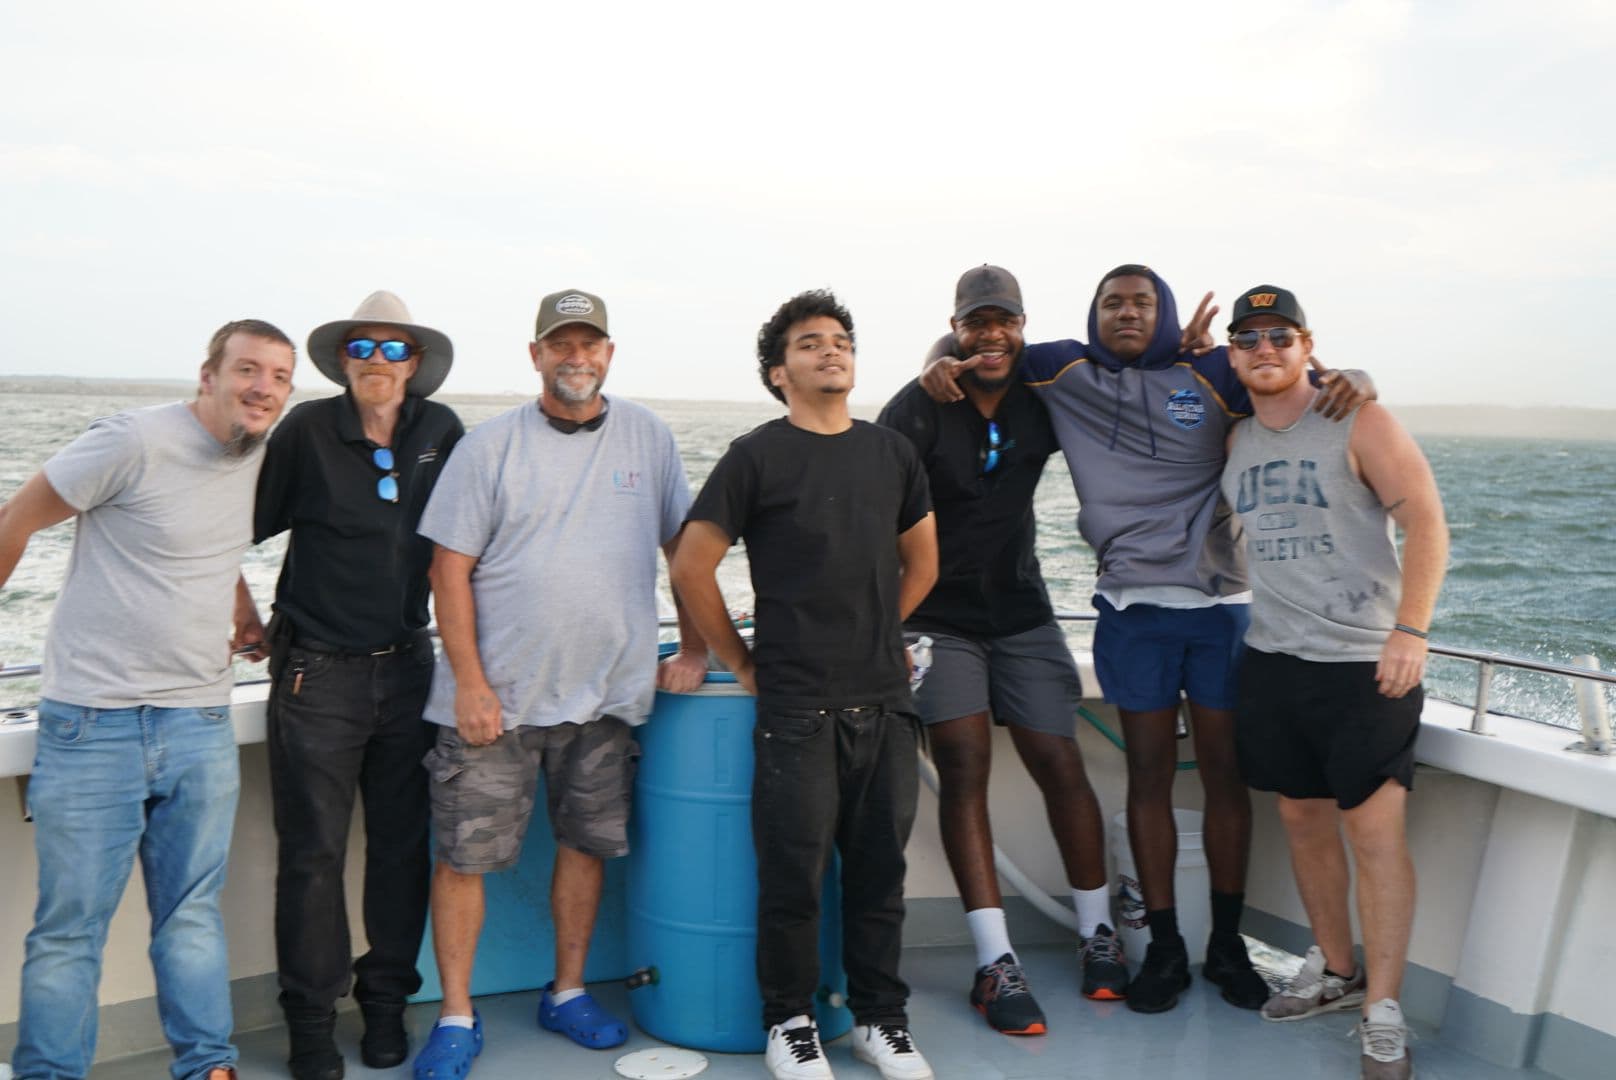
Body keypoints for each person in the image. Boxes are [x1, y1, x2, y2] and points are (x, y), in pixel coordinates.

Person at [921, 265, 1373, 1013]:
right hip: (1133, 612)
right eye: (1112, 302)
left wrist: (1352, 373)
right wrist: (937, 358)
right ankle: (1162, 945)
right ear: (1092, 315)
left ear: (1161, 312)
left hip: (1221, 608)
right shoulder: (1062, 367)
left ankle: (1224, 944)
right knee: (1150, 779)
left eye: (1141, 302)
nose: (1126, 313)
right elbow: (983, 347)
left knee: (1226, 777)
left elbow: (1283, 375)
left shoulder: (1208, 371)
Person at [409, 288, 707, 1079]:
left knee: (585, 848)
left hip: (605, 700)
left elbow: (686, 551)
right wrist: (468, 683)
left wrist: (699, 650)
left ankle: (569, 992)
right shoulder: (490, 445)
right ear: (535, 354)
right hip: (493, 705)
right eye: (560, 344)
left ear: (609, 352)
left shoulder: (648, 435)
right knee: (464, 861)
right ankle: (457, 1013)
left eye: (590, 344)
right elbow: (449, 569)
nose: (577, 357)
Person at [0, 320, 297, 1080]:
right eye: (248, 370)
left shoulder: (256, 455)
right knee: (70, 931)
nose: (263, 387)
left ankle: (208, 1067)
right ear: (209, 376)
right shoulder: (128, 441)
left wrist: (241, 610)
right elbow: (16, 521)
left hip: (199, 723)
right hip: (93, 725)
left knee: (191, 917)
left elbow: (202, 544)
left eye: (279, 377)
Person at [672, 290, 940, 1080]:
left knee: (880, 875)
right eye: (811, 343)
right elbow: (691, 565)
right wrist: (745, 662)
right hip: (793, 707)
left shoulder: (891, 452)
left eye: (842, 340)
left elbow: (923, 562)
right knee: (791, 877)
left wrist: (871, 627)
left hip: (885, 701)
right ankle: (788, 1023)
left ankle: (879, 1022)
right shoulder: (757, 455)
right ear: (777, 370)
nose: (832, 351)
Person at [875, 266, 1122, 1037]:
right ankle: (994, 962)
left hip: (1021, 612)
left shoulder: (1044, 395)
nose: (990, 335)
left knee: (1061, 763)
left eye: (1003, 321)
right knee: (965, 765)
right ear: (955, 325)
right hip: (938, 617)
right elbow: (871, 509)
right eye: (975, 322)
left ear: (1021, 325)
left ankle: (1098, 936)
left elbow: (1125, 366)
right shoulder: (916, 407)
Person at [1219, 285, 1446, 1080]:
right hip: (1276, 659)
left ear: (1307, 345)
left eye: (1280, 335)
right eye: (1247, 339)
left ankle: (1383, 1009)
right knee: (1302, 816)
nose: (1264, 349)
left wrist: (1410, 630)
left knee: (1373, 834)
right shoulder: (1234, 436)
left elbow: (1426, 521)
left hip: (1363, 664)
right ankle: (1337, 972)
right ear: (1232, 355)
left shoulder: (1361, 419)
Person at [252, 291, 464, 1079]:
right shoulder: (307, 431)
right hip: (319, 676)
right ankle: (310, 1025)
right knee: (311, 856)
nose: (378, 362)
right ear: (344, 361)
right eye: (363, 349)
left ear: (415, 363)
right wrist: (240, 611)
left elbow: (464, 549)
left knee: (403, 850)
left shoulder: (441, 433)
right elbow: (224, 526)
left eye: (393, 349)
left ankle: (383, 1007)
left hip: (410, 666)